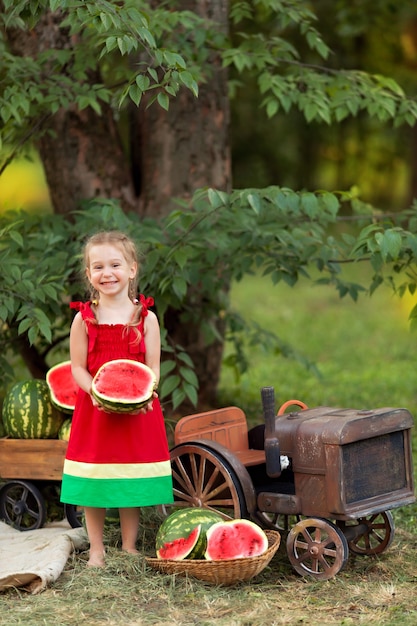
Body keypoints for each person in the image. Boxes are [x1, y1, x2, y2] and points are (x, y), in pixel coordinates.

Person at [60, 230, 173, 567]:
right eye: (98, 267)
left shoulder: (146, 318)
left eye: (115, 265)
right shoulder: (84, 319)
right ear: (89, 274)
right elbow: (77, 368)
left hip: (138, 412)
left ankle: (129, 545)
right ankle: (96, 549)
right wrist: (94, 391)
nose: (107, 273)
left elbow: (152, 368)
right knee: (94, 481)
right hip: (94, 410)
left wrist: (147, 391)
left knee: (130, 479)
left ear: (132, 269)